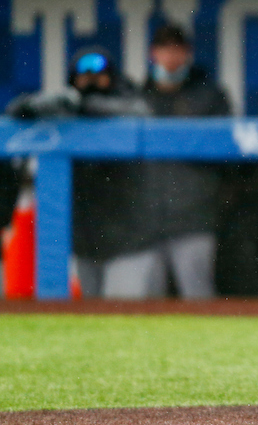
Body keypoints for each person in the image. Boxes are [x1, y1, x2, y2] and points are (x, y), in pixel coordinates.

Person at [6, 46, 153, 298]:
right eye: (84, 76)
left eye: (99, 74)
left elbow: (140, 112)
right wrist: (35, 104)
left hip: (130, 239)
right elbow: (14, 112)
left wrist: (83, 104)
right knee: (90, 311)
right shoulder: (67, 106)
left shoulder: (128, 100)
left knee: (122, 310)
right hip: (86, 240)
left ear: (111, 76)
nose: (91, 80)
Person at [120, 23, 231, 299]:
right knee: (147, 304)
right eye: (165, 49)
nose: (171, 57)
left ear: (188, 54)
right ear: (153, 54)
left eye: (177, 49)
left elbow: (228, 157)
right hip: (145, 222)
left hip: (193, 219)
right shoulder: (137, 100)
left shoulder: (209, 97)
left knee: (198, 299)